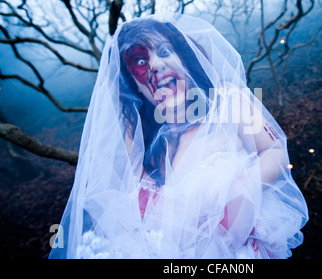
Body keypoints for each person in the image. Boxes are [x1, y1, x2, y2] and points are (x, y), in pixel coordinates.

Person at [49, 14, 308, 259]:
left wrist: (244, 185)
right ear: (134, 85)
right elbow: (133, 209)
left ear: (183, 57)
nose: (157, 65)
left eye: (164, 51)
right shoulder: (141, 139)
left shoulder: (227, 100)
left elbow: (276, 150)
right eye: (140, 62)